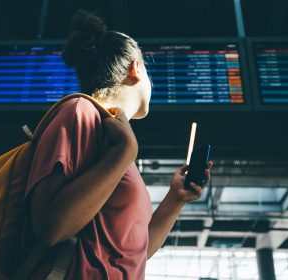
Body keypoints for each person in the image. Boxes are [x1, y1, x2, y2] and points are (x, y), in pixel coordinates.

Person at [23, 10, 213, 279]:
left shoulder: (117, 143)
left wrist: (175, 199)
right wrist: (125, 154)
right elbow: (50, 227)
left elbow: (132, 253)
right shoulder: (81, 112)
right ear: (136, 69)